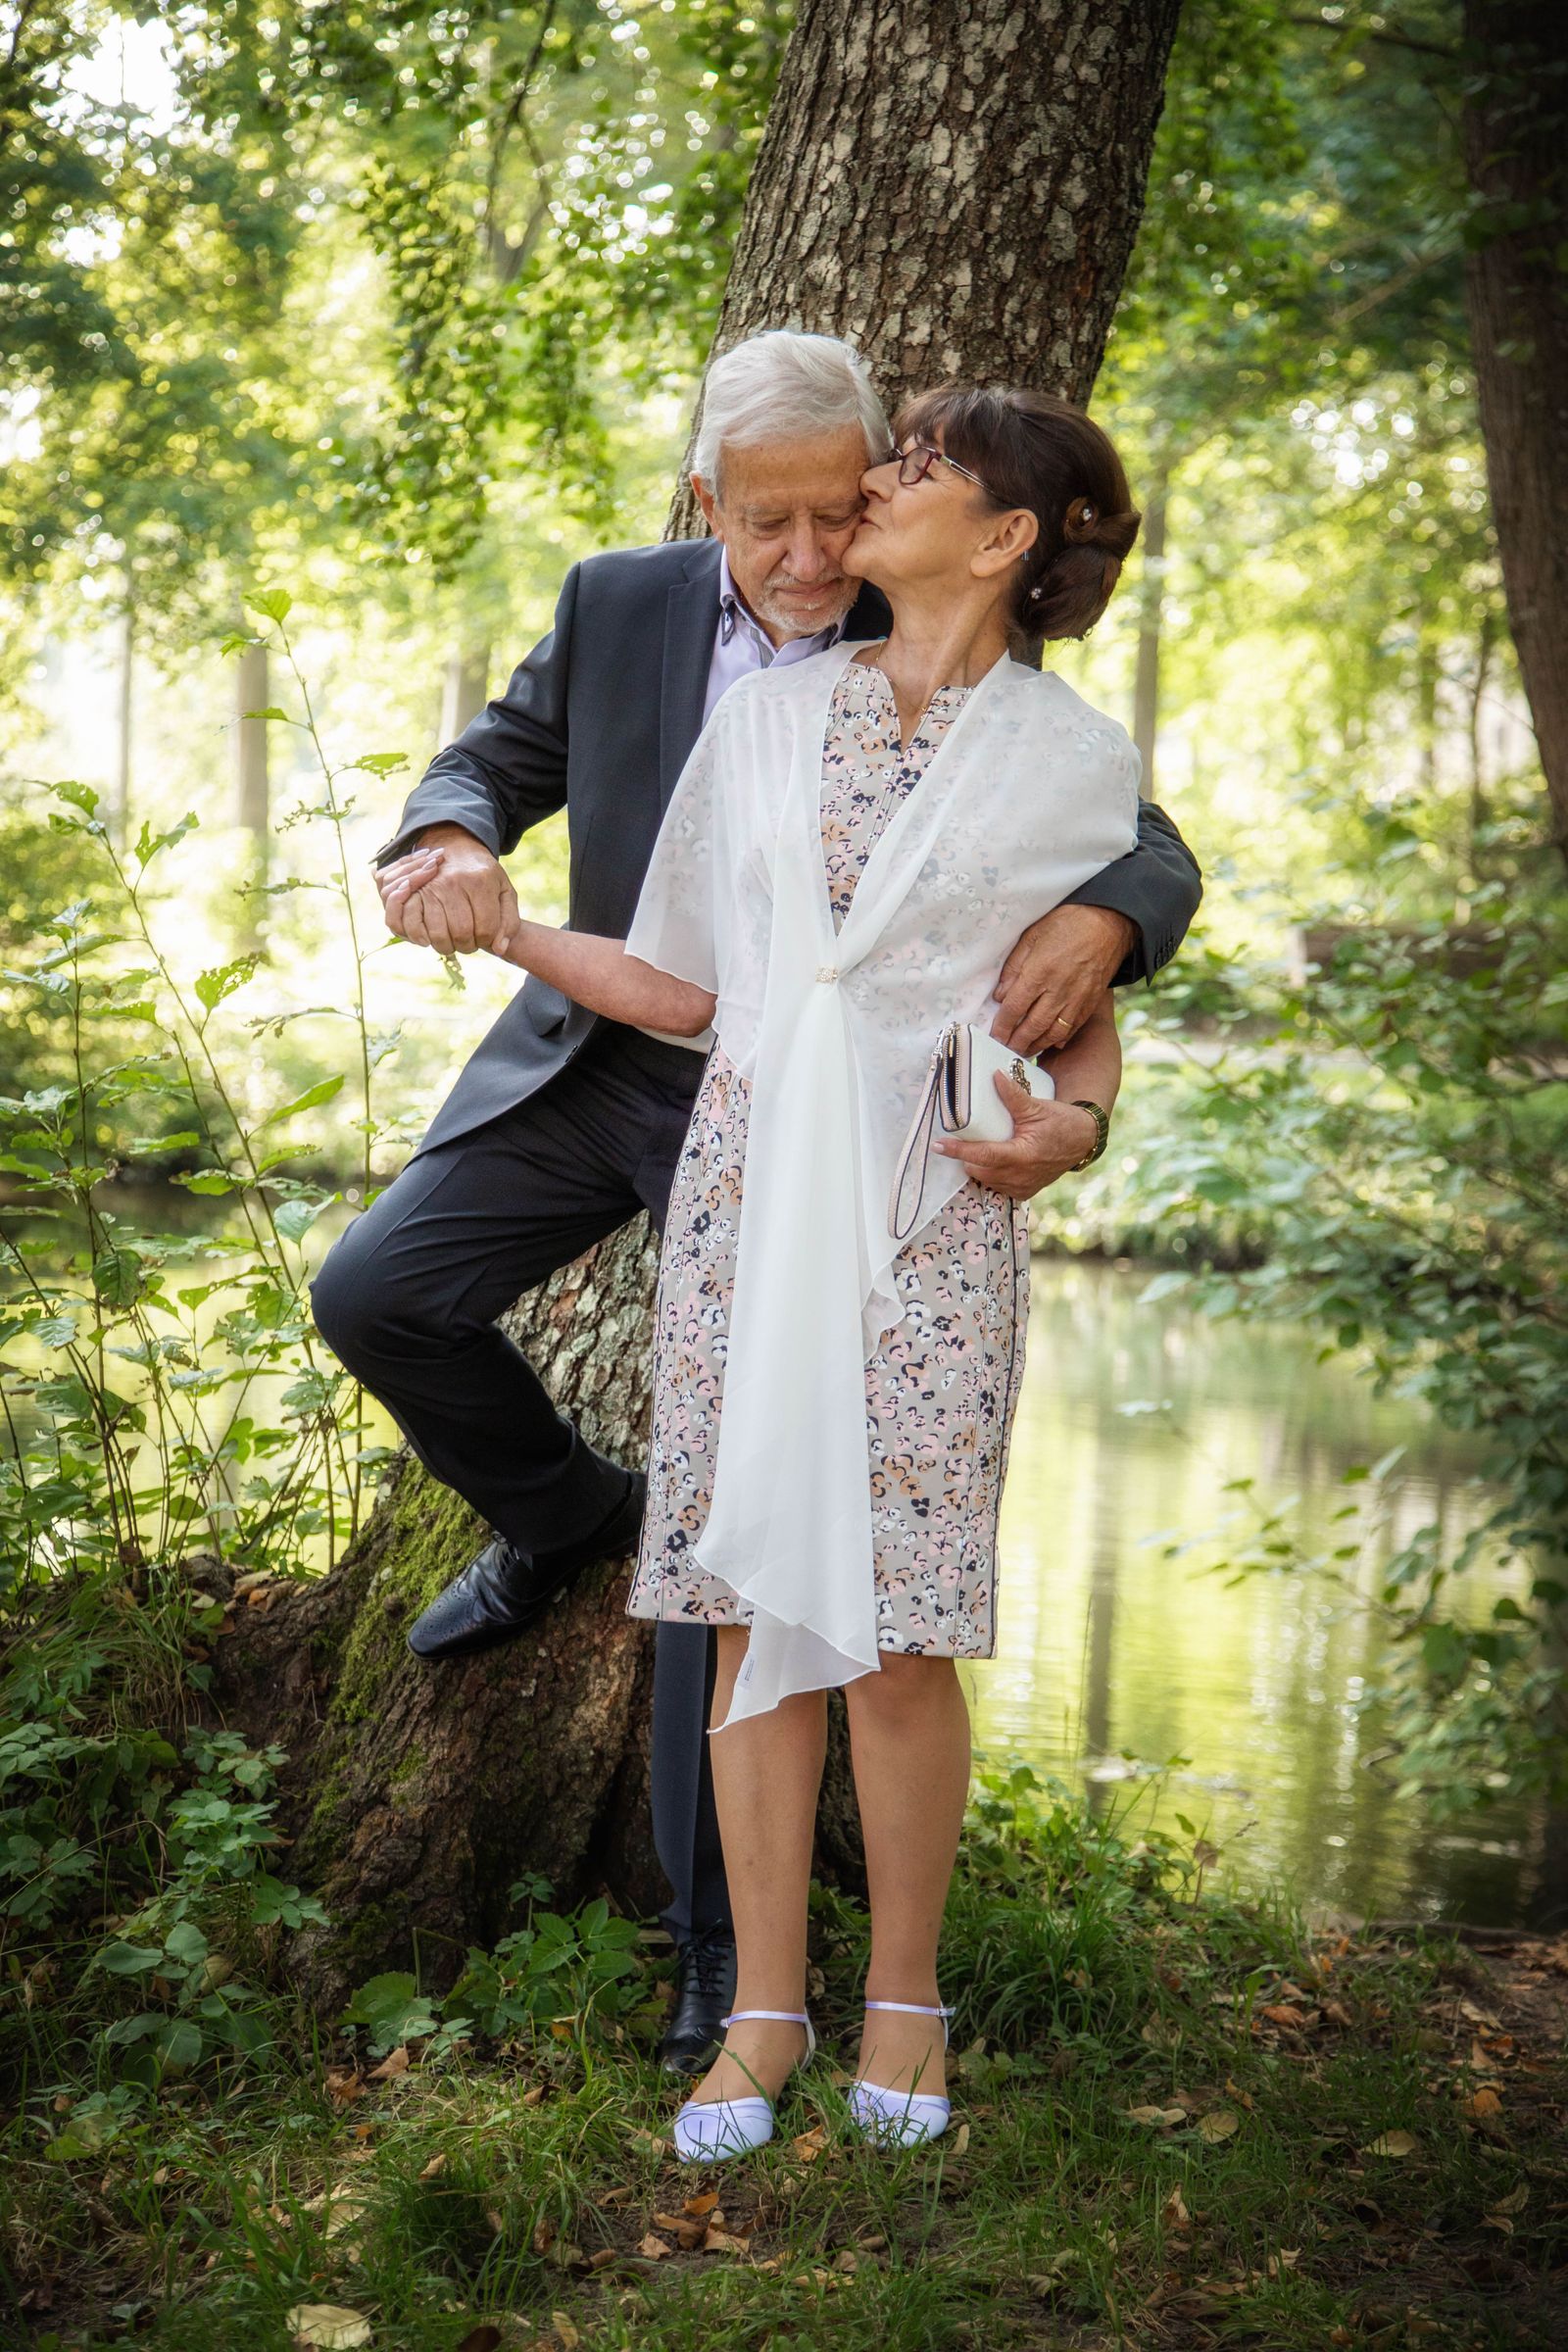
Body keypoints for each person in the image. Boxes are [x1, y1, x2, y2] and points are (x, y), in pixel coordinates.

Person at [311, 331, 1201, 2085]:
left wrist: (1093, 1035)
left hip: (887, 1166)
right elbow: (536, 805)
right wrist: (452, 866)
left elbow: (1124, 860)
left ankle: (762, 1987)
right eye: (774, 519)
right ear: (706, 501)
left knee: (811, 1617)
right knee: (397, 1308)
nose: (819, 547)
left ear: (926, 503)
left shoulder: (992, 695)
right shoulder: (660, 628)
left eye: (852, 500)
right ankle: (573, 1531)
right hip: (670, 1086)